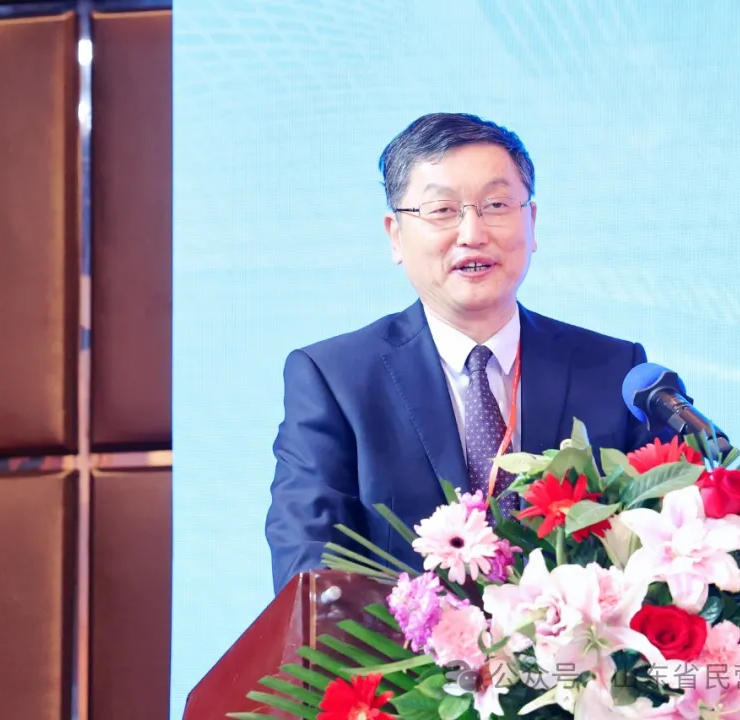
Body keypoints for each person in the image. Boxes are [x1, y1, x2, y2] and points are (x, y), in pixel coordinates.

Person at [265, 113, 665, 593]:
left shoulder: (615, 372)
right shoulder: (335, 381)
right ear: (395, 235)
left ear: (532, 222)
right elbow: (311, 576)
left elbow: (667, 542)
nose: (473, 233)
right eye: (442, 210)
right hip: (404, 643)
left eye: (496, 204)